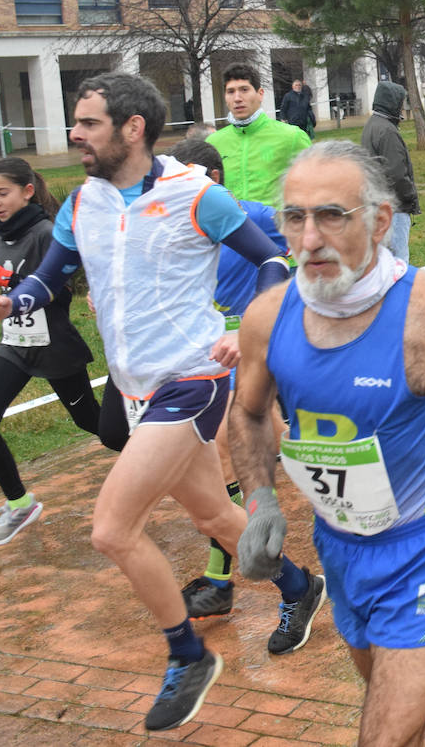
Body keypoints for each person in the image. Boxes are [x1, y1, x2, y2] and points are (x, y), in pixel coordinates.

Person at [0, 73, 324, 732]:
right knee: (213, 508)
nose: (75, 133)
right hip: (131, 387)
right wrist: (8, 301)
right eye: (76, 121)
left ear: (133, 127)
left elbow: (274, 259)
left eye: (90, 122)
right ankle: (300, 586)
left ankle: (188, 653)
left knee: (112, 528)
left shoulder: (195, 194)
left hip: (190, 379)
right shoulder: (81, 203)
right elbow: (49, 280)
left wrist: (241, 329)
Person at [224, 140, 425, 746]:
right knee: (400, 693)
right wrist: (259, 504)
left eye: (331, 215)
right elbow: (245, 416)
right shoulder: (267, 317)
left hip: (424, 546)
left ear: (379, 221)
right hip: (341, 549)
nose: (308, 238)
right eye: (294, 217)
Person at [166, 138, 291, 620]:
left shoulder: (255, 217)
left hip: (250, 342)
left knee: (225, 453)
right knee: (253, 451)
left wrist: (259, 323)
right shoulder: (175, 224)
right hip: (204, 352)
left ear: (213, 179)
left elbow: (288, 264)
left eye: (190, 174)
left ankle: (224, 578)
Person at [0, 158, 101, 546]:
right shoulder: (4, 234)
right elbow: (14, 295)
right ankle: (20, 503)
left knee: (95, 424)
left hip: (55, 347)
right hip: (16, 344)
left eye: (2, 193)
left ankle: (165, 461)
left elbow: (57, 295)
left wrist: (6, 279)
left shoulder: (45, 232)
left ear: (27, 191)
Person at [208, 63, 312, 207]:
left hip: (276, 227)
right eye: (230, 91)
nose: (237, 98)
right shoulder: (213, 143)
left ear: (260, 93)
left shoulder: (292, 137)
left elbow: (313, 189)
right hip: (231, 227)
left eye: (244, 90)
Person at [361, 79, 420, 264]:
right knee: (398, 262)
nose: (402, 107)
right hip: (394, 208)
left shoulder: (372, 125)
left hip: (378, 205)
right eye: (400, 103)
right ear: (392, 103)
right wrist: (410, 197)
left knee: (384, 261)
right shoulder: (387, 131)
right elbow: (396, 174)